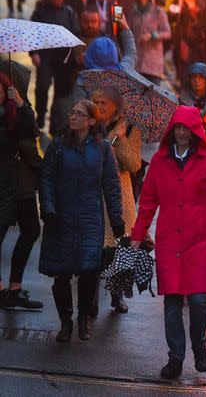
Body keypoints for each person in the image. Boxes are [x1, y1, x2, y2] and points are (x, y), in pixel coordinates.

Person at [131, 106, 206, 380]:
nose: (182, 133)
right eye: (177, 128)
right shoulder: (160, 161)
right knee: (173, 301)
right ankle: (175, 357)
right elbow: (148, 201)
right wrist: (138, 234)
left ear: (196, 131)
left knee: (199, 300)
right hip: (169, 240)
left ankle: (199, 346)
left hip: (200, 238)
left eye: (187, 128)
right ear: (171, 131)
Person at [38, 99, 123, 342]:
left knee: (89, 272)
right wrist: (48, 208)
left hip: (89, 220)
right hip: (61, 218)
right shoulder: (57, 146)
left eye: (79, 113)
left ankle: (84, 317)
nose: (73, 116)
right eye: (72, 112)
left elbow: (112, 186)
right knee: (61, 273)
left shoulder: (103, 149)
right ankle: (65, 322)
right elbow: (46, 180)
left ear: (91, 121)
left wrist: (116, 219)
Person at [91, 87, 141, 314]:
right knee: (95, 249)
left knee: (120, 248)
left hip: (121, 193)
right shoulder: (88, 124)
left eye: (104, 102)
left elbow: (133, 164)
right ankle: (90, 301)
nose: (99, 106)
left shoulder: (130, 129)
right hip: (93, 192)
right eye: (96, 101)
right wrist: (111, 137)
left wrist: (121, 137)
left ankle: (117, 293)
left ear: (115, 107)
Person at [0, 72, 42, 309]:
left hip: (22, 184)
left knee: (31, 231)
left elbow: (30, 131)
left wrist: (21, 104)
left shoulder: (16, 110)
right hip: (4, 185)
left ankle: (15, 287)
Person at [30, 0, 79, 130]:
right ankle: (41, 115)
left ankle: (55, 121)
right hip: (45, 57)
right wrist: (34, 53)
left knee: (61, 91)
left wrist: (75, 55)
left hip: (63, 58)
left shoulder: (69, 12)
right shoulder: (41, 12)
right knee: (43, 88)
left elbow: (75, 32)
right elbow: (32, 33)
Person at [130, 0, 172, 85]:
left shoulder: (159, 12)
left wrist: (152, 35)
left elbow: (167, 33)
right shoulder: (133, 12)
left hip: (153, 62)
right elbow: (129, 32)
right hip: (137, 62)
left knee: (153, 95)